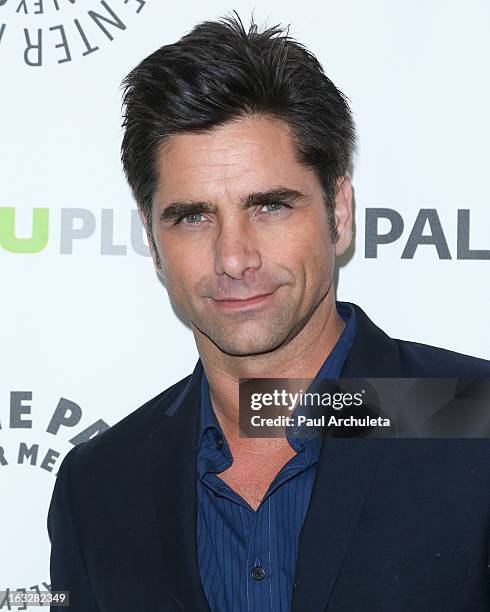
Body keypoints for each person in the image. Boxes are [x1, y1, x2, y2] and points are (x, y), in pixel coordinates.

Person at [48, 13, 490, 612]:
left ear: (338, 211)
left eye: (270, 206)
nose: (234, 258)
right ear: (153, 242)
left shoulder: (472, 417)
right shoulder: (99, 485)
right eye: (194, 216)